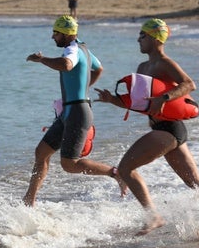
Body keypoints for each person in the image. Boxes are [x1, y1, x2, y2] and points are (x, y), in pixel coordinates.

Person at [95, 19, 199, 236]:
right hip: (166, 130)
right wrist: (113, 100)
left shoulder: (165, 63)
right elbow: (141, 105)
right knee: (194, 181)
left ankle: (153, 216)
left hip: (168, 129)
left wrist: (165, 97)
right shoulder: (143, 67)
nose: (139, 39)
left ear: (155, 38)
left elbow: (189, 84)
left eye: (142, 35)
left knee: (125, 168)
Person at [23, 16, 126, 207]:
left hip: (78, 112)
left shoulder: (71, 49)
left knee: (70, 164)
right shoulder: (84, 49)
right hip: (69, 111)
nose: (53, 37)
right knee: (41, 152)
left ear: (67, 33)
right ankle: (29, 199)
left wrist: (41, 59)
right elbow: (99, 68)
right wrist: (84, 86)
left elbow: (67, 65)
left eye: (56, 33)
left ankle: (116, 173)